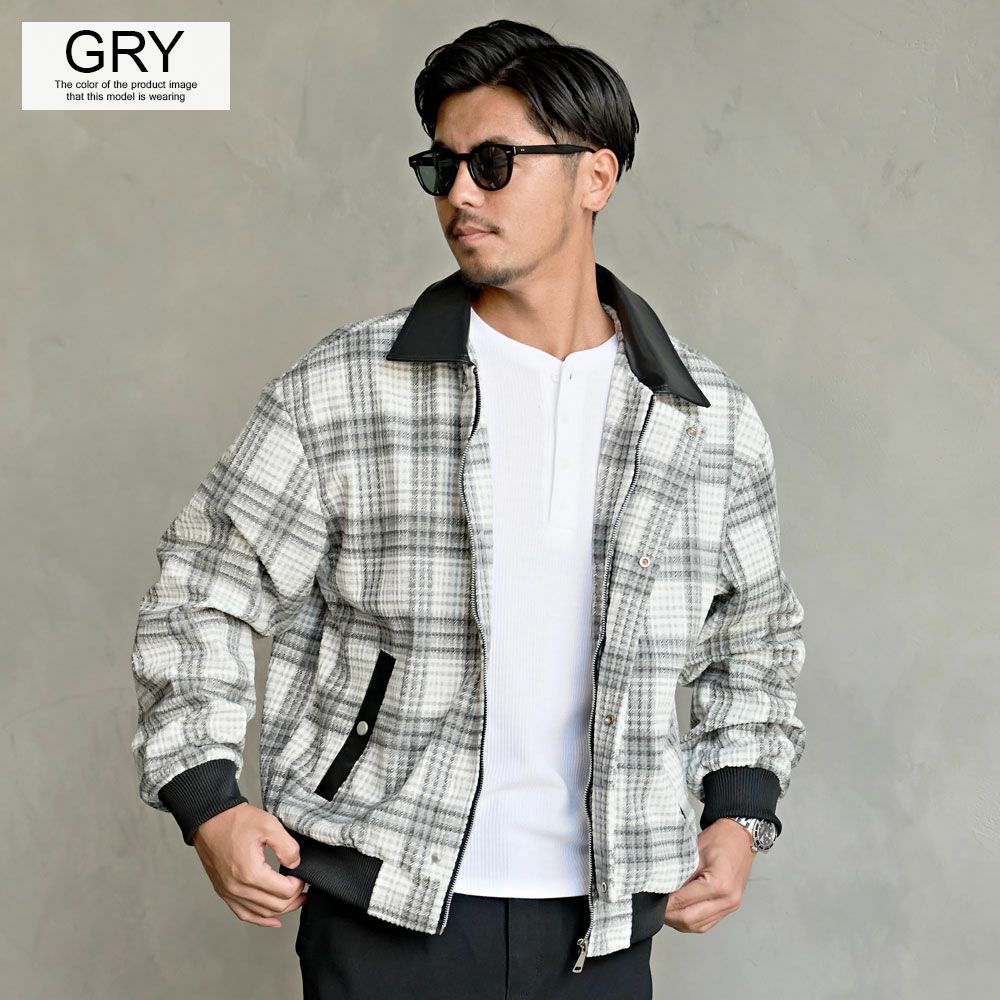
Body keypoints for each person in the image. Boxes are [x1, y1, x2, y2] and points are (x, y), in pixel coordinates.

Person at [129, 18, 807, 1000]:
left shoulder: (703, 419)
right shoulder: (347, 387)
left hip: (604, 920)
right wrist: (209, 799)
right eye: (440, 167)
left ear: (595, 176)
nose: (459, 193)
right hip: (383, 904)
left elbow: (754, 637)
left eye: (492, 163)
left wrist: (737, 813)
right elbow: (201, 587)